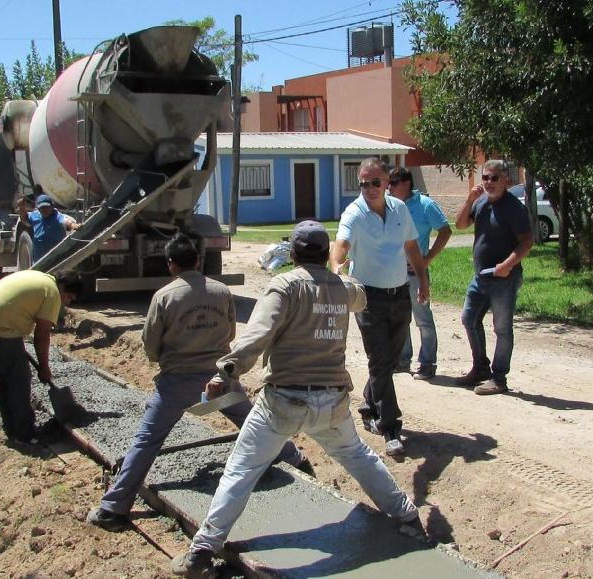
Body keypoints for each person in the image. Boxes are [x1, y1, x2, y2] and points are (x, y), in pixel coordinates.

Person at [170, 221, 424, 579]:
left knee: (241, 470)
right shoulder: (343, 289)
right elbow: (360, 294)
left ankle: (201, 551)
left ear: (292, 254)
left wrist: (224, 373)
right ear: (324, 253)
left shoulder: (284, 287)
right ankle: (408, 516)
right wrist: (340, 273)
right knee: (359, 457)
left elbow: (257, 335)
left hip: (283, 404)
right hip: (332, 403)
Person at [87, 233, 312, 532]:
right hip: (220, 379)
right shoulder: (221, 292)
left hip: (176, 383)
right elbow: (231, 333)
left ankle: (113, 508)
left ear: (170, 265)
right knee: (252, 422)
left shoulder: (164, 297)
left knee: (147, 440)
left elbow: (151, 347)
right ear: (197, 261)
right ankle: (295, 459)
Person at [329, 158, 429, 457]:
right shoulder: (354, 212)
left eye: (375, 182)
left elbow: (412, 247)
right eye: (363, 183)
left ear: (387, 182)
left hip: (399, 293)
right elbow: (342, 243)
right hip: (367, 297)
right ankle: (391, 428)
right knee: (379, 358)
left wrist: (423, 280)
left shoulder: (399, 209)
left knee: (392, 359)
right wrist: (336, 267)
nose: (368, 188)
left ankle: (368, 404)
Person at [0, 270, 81, 443]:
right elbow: (41, 336)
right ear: (62, 287)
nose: (68, 302)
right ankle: (25, 433)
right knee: (19, 379)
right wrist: (44, 367)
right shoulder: (52, 294)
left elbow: (16, 306)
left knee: (2, 378)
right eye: (69, 297)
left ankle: (11, 426)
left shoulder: (40, 278)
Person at [455, 160, 533, 395]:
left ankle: (499, 378)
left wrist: (508, 265)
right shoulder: (480, 203)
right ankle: (480, 368)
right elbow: (460, 225)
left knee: (502, 328)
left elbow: (526, 242)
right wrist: (469, 200)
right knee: (469, 319)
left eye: (494, 178)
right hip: (481, 277)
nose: (488, 182)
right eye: (485, 178)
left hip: (504, 279)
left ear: (506, 180)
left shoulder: (514, 208)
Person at [387, 167, 452, 380]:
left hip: (415, 272)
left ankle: (427, 363)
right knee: (400, 317)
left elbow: (445, 230)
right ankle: (403, 360)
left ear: (406, 183)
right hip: (394, 272)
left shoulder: (425, 205)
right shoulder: (390, 205)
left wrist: (428, 258)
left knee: (423, 318)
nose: (389, 187)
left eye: (393, 183)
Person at [18, 187, 80, 262]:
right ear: (38, 208)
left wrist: (74, 225)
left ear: (52, 206)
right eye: (42, 208)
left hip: (55, 261)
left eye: (46, 207)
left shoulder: (56, 216)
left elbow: (65, 221)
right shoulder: (35, 215)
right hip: (38, 261)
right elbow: (24, 220)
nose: (44, 210)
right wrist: (21, 207)